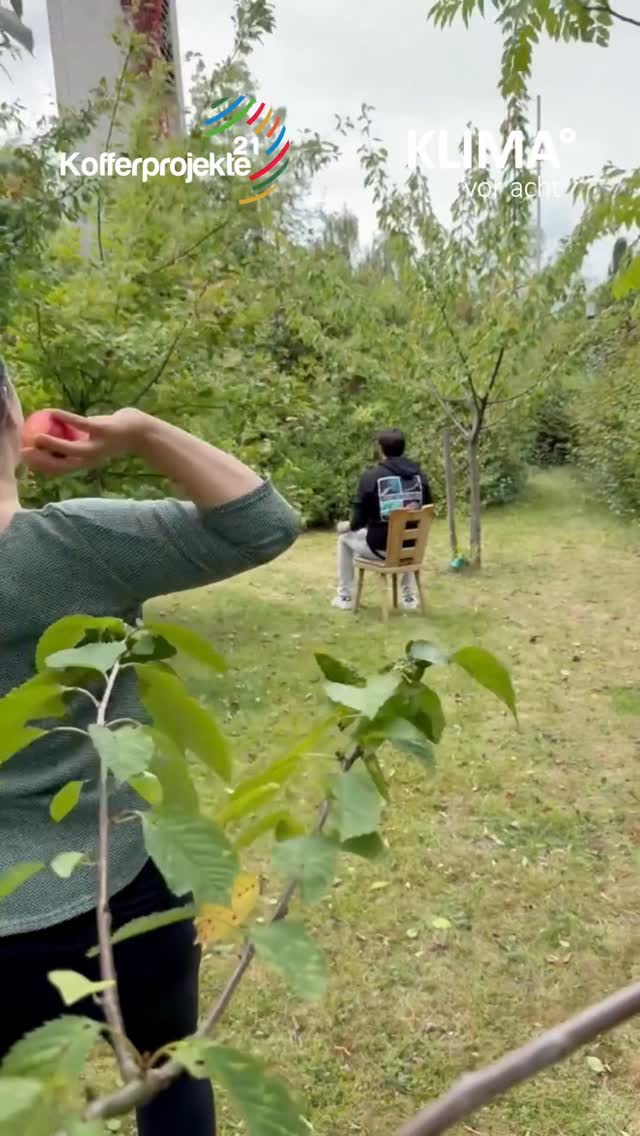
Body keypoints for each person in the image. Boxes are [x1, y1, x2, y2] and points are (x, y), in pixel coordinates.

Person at [0, 360, 300, 1135]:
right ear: (13, 418)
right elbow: (263, 523)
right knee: (168, 1069)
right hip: (126, 876)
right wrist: (140, 431)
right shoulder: (77, 544)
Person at [332, 427, 432, 611]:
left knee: (344, 539)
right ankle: (409, 597)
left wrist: (342, 526)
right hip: (411, 549)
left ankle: (344, 597)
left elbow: (357, 523)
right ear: (403, 448)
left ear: (380, 449)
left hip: (380, 549)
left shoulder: (370, 478)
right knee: (406, 533)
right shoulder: (421, 477)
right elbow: (426, 510)